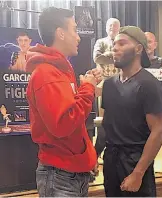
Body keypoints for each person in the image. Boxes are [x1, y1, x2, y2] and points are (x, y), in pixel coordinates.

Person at [25, 7, 101, 197]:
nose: (78, 37)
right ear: (60, 33)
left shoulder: (59, 71)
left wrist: (88, 158)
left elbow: (75, 126)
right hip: (60, 175)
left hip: (69, 173)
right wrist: (88, 88)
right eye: (74, 29)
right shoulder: (46, 74)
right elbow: (64, 124)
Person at [102, 26, 162, 197]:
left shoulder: (149, 84)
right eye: (114, 44)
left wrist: (138, 173)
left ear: (138, 49)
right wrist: (95, 154)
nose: (115, 48)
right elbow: (106, 123)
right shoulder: (109, 84)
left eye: (122, 43)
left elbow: (158, 131)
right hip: (111, 161)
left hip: (135, 161)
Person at [93, 18, 120, 165]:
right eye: (110, 25)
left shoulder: (121, 43)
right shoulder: (100, 42)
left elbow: (122, 60)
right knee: (104, 121)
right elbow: (97, 58)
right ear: (105, 27)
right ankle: (96, 154)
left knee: (118, 120)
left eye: (115, 26)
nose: (113, 28)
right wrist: (112, 54)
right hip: (104, 84)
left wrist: (109, 56)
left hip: (120, 83)